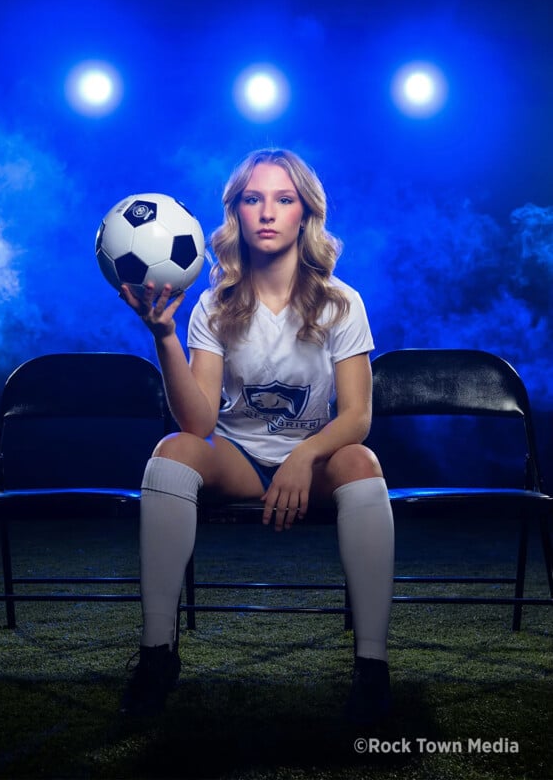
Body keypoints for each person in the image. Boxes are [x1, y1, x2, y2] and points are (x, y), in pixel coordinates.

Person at [119, 148, 394, 726]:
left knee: (363, 459)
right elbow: (196, 423)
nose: (267, 212)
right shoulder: (213, 305)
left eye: (283, 199)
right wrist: (164, 336)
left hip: (316, 463)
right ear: (236, 214)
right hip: (239, 459)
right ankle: (156, 653)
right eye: (253, 199)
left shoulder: (343, 302)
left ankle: (372, 668)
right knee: (171, 453)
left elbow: (357, 417)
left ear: (305, 215)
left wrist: (304, 457)